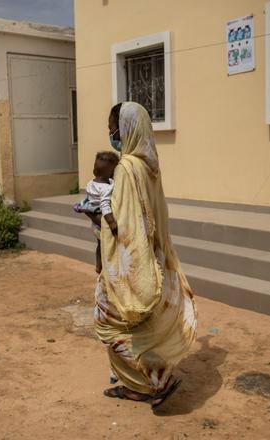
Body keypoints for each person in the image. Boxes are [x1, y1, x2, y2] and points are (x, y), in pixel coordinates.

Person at [94, 102, 198, 411]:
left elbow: (125, 225)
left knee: (108, 322)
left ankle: (145, 384)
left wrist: (99, 220)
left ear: (125, 129)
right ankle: (148, 382)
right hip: (155, 257)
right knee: (143, 327)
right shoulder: (150, 166)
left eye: (113, 127)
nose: (111, 133)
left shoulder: (126, 167)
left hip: (131, 263)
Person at [74, 151, 120, 273]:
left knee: (99, 245)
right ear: (111, 173)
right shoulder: (106, 188)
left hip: (94, 226)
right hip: (101, 222)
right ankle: (107, 268)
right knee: (107, 247)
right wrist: (111, 223)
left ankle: (98, 266)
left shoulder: (90, 183)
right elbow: (105, 206)